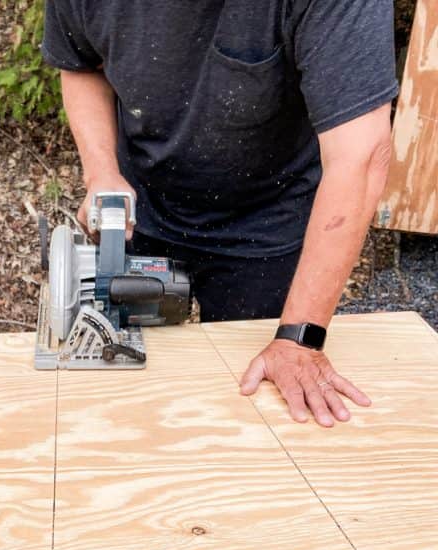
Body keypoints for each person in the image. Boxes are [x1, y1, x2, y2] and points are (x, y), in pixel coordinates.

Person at [42, 0, 398, 427]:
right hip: (143, 203)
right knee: (131, 405)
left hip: (268, 221)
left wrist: (299, 338)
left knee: (254, 414)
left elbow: (361, 155)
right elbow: (81, 63)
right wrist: (102, 171)